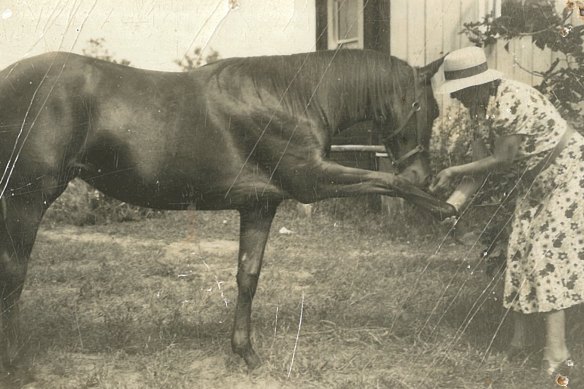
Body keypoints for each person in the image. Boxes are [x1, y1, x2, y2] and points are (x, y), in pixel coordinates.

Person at [430, 46, 584, 384]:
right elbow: (478, 170)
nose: (460, 99)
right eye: (456, 93)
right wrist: (452, 205)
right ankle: (520, 342)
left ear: (480, 84)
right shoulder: (479, 111)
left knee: (547, 254)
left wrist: (453, 168)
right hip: (536, 180)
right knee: (518, 251)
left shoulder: (510, 98)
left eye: (463, 92)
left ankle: (557, 352)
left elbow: (504, 159)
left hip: (569, 172)